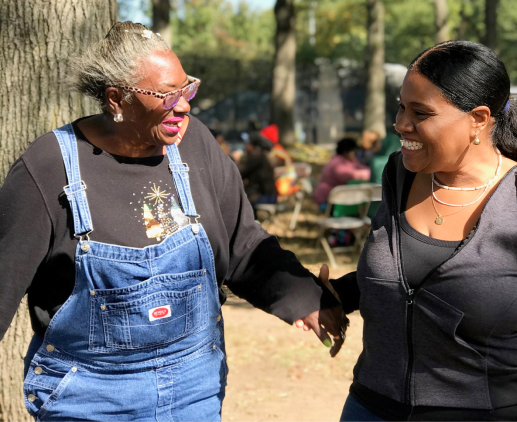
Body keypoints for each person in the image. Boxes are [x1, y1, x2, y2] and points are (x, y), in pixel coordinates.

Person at [0, 22, 347, 422]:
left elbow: (243, 244)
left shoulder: (194, 144)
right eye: (166, 95)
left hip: (194, 391)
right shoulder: (48, 167)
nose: (183, 106)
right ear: (117, 99)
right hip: (89, 397)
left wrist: (306, 298)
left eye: (187, 89)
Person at [302, 40, 517, 421]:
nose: (401, 123)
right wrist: (337, 294)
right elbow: (410, 282)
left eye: (421, 112)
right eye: (401, 106)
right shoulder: (399, 174)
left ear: (479, 120)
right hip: (370, 406)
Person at [312, 137, 371, 207]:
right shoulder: (337, 162)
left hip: (338, 198)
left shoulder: (350, 160)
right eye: (354, 153)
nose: (355, 155)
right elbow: (349, 175)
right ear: (346, 152)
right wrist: (371, 173)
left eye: (357, 153)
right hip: (327, 200)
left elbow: (361, 168)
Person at [239, 132, 278, 209]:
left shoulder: (256, 157)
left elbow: (240, 174)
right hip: (270, 196)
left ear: (251, 145)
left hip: (263, 197)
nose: (245, 146)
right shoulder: (263, 155)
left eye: (246, 143)